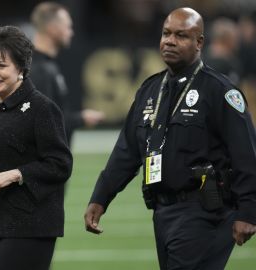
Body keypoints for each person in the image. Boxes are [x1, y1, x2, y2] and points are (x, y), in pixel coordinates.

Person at [84, 7, 256, 270]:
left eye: (181, 35)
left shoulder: (219, 91)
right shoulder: (150, 90)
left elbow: (246, 154)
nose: (170, 41)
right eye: (166, 33)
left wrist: (248, 211)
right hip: (163, 212)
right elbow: (127, 151)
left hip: (206, 212)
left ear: (199, 43)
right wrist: (100, 197)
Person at [0, 25, 73, 270]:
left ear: (21, 68)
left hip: (31, 227)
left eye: (1, 66)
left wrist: (16, 174)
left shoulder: (42, 108)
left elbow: (60, 164)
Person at [30, 2, 105, 145]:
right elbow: (45, 122)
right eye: (68, 27)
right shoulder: (40, 70)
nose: (71, 32)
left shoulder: (46, 66)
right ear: (52, 29)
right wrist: (81, 119)